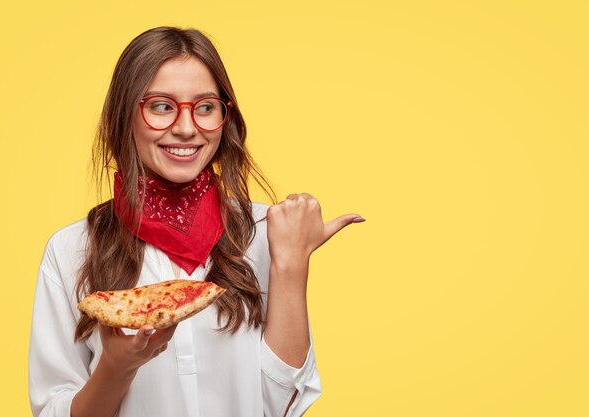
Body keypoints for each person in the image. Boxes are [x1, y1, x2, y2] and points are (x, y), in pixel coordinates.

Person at [28, 26, 364, 417]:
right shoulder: (71, 249)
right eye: (161, 106)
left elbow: (281, 407)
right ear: (124, 116)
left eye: (205, 107)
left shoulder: (268, 232)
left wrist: (291, 264)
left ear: (225, 117)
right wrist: (116, 369)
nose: (187, 128)